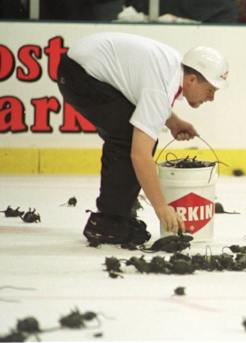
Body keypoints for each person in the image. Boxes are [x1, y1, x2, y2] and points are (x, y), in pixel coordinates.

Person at [57, 32, 228, 245]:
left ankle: (116, 212)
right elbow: (140, 155)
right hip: (79, 75)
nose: (211, 98)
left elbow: (143, 94)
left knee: (133, 133)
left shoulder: (174, 68)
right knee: (128, 138)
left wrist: (173, 122)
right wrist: (161, 207)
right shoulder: (163, 86)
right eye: (210, 90)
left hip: (80, 65)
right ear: (192, 79)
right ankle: (109, 221)